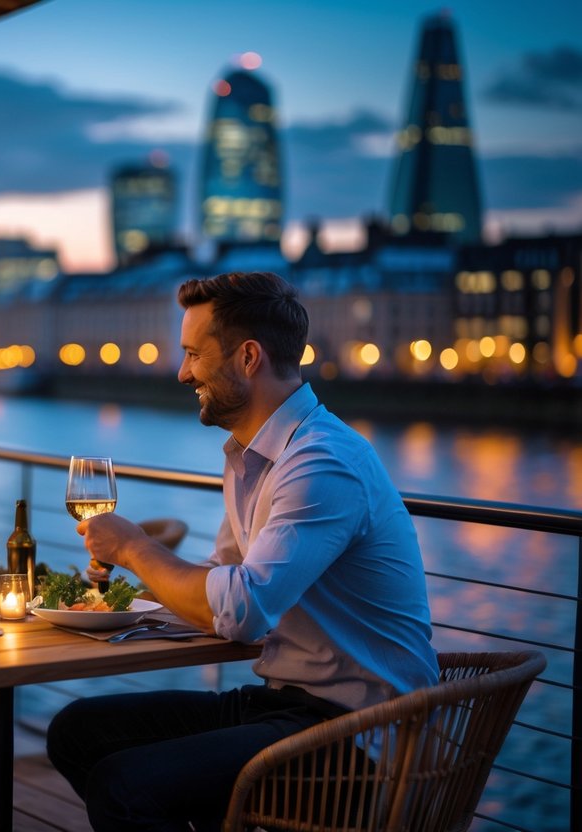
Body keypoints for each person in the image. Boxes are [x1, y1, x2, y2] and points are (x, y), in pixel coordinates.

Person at [46, 272, 439, 831]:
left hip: (358, 737)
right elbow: (222, 579)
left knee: (124, 785)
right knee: (77, 731)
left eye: (193, 354)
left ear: (248, 357)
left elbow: (243, 608)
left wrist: (134, 548)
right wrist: (140, 584)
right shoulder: (251, 457)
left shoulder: (322, 463)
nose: (182, 373)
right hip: (285, 705)